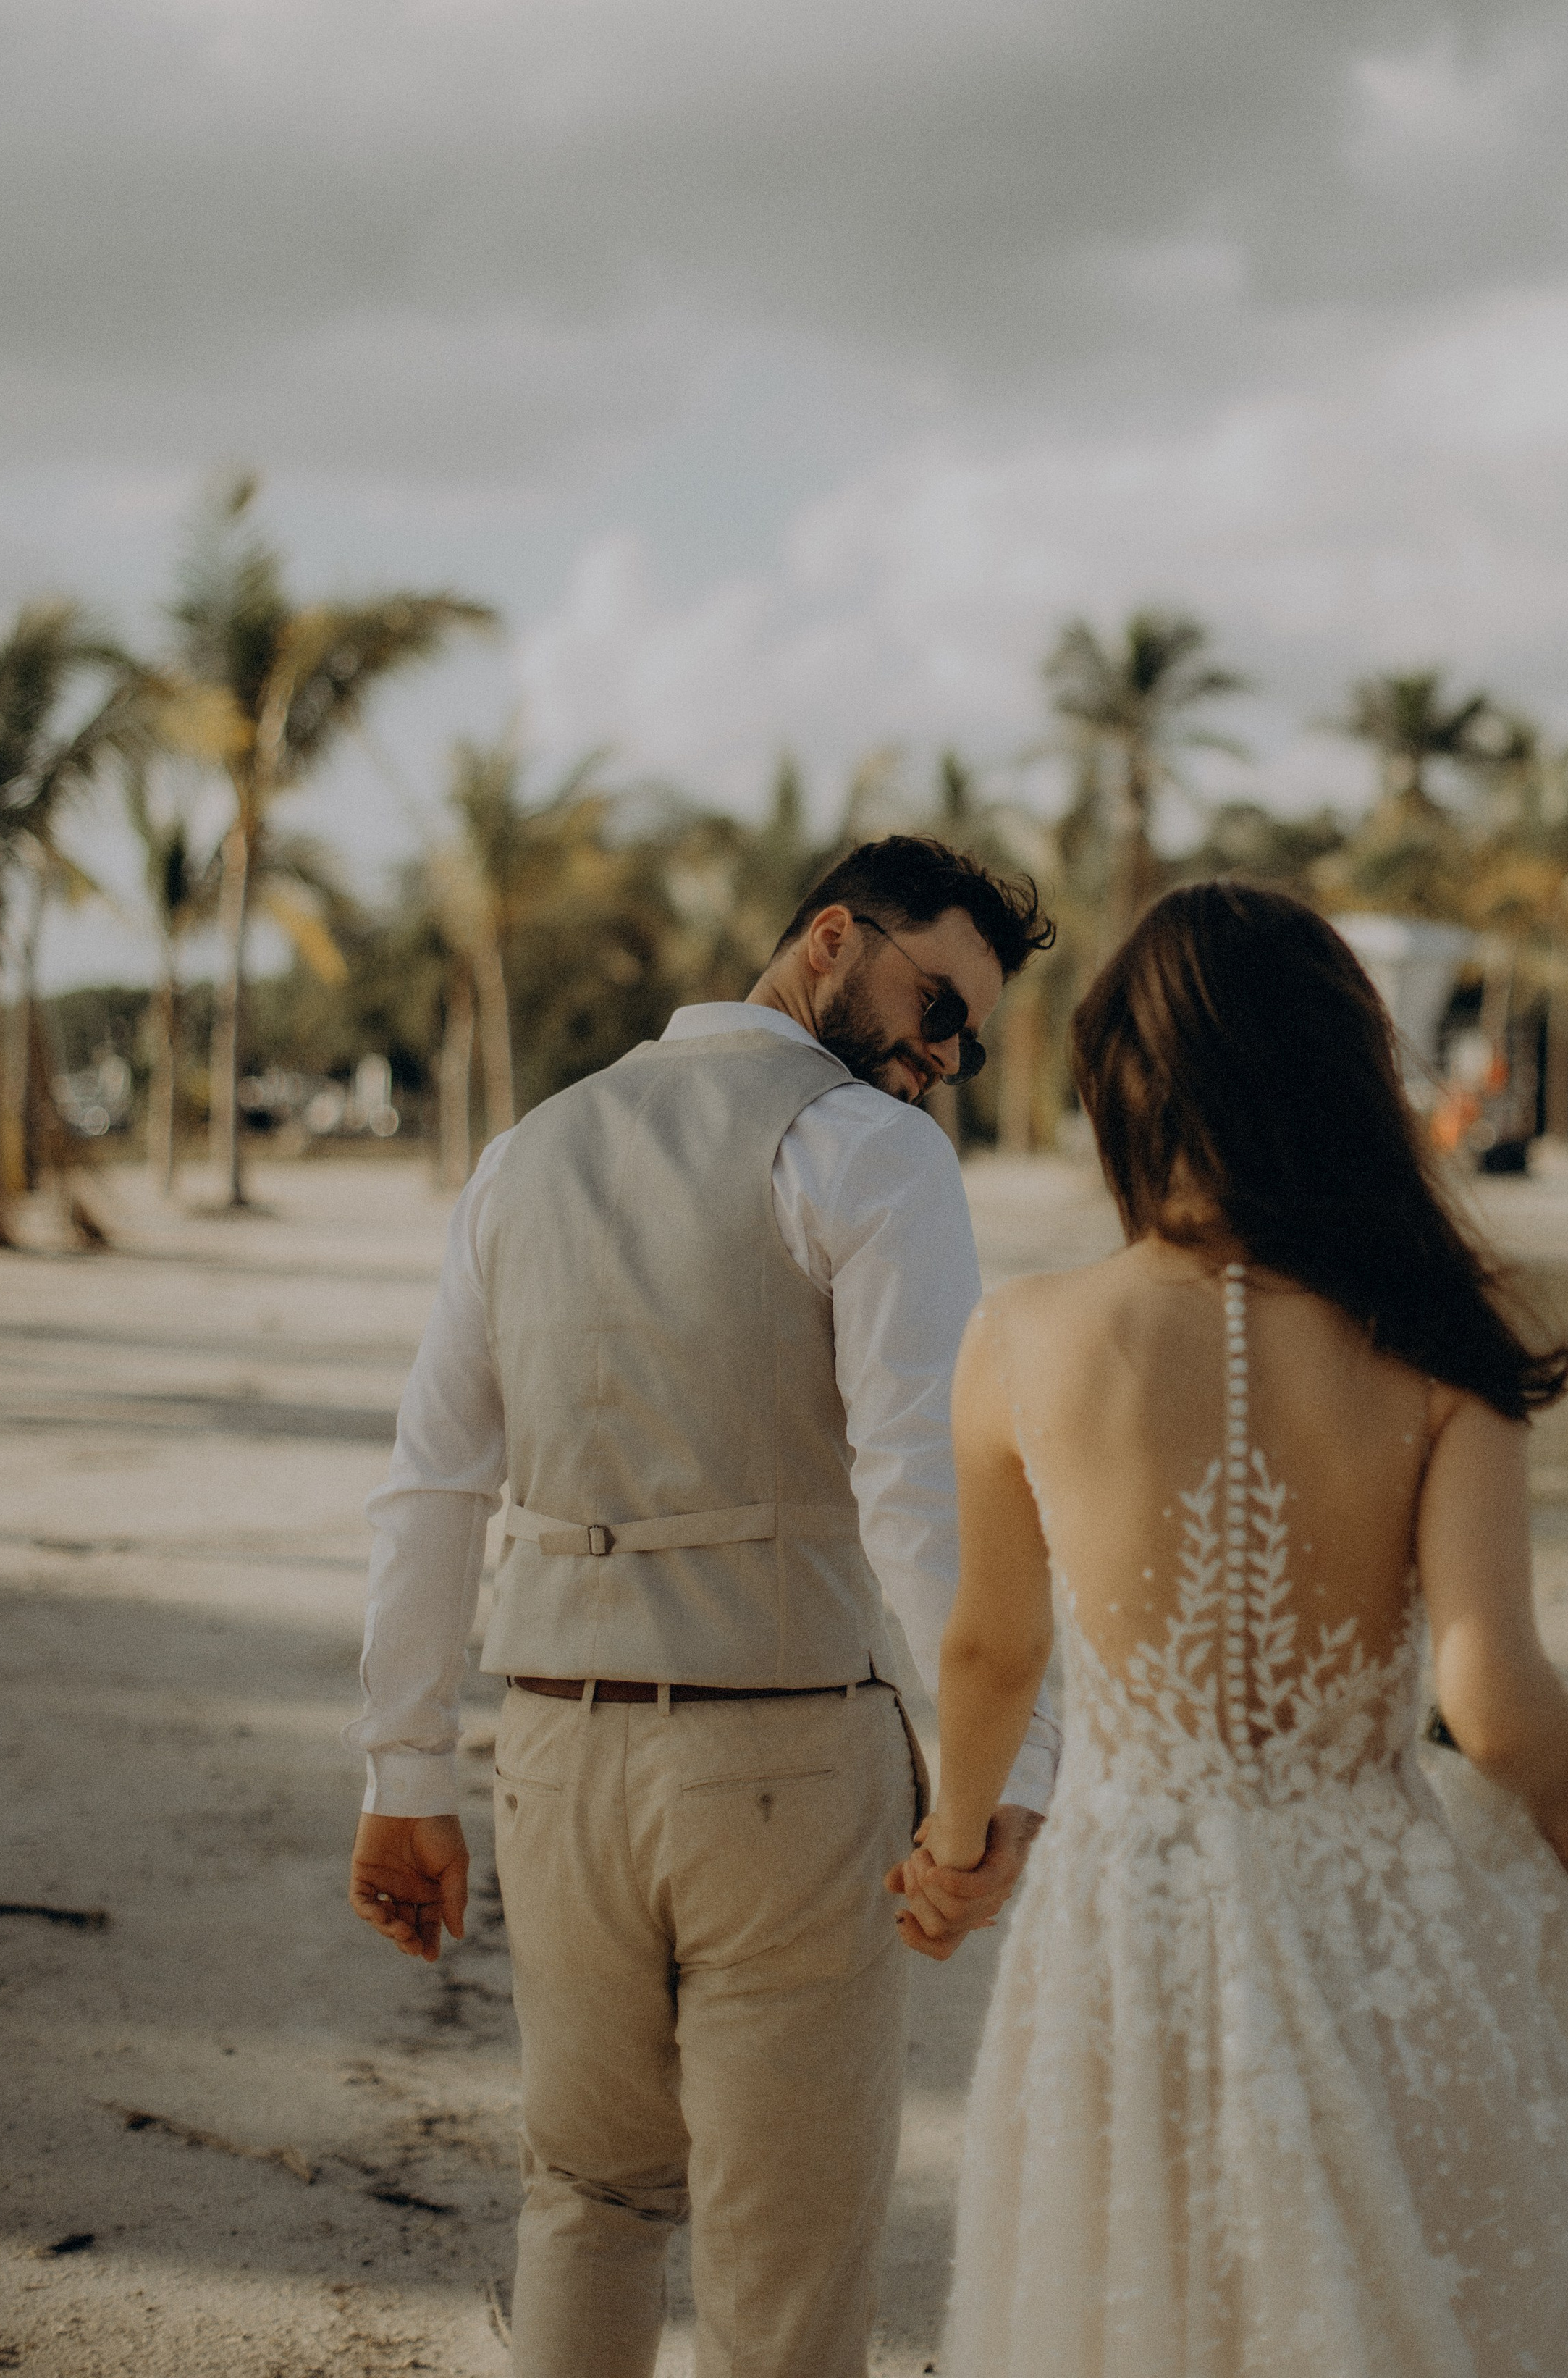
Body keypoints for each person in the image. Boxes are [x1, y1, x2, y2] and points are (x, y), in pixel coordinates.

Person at [895, 880, 1568, 2377]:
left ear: (1122, 1089)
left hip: (1128, 1913)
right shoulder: (1438, 1328)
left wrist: (955, 1846)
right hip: (1365, 1912)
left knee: (1143, 2299)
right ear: (1345, 1080)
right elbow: (1489, 1694)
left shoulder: (1021, 1335)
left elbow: (989, 1647)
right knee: (1378, 2295)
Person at [344, 836, 1060, 2378]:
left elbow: (432, 1486)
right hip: (784, 1768)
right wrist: (1005, 1785)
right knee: (783, 2265)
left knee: (586, 2200)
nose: (941, 1058)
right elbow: (918, 1499)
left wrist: (406, 1779)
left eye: (968, 1041)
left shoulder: (525, 1151)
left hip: (550, 1764)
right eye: (935, 1004)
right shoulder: (868, 1153)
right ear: (826, 941)